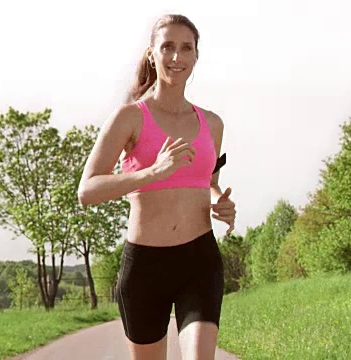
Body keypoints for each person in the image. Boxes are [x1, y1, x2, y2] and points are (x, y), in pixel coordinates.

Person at [77, 14, 236, 360]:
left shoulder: (212, 123)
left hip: (200, 260)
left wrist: (219, 202)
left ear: (196, 56)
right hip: (146, 266)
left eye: (185, 48)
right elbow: (87, 190)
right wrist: (152, 173)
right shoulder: (129, 117)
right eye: (167, 47)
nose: (176, 57)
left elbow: (208, 182)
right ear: (152, 53)